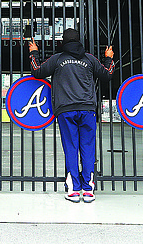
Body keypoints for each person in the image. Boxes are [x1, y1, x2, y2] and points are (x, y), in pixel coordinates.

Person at [29, 28, 115, 203]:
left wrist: (34, 53)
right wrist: (109, 58)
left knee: (71, 148)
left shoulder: (57, 59)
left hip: (66, 109)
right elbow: (107, 74)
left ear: (63, 41)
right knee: (88, 148)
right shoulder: (89, 59)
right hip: (88, 109)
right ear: (79, 41)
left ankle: (74, 190)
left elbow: (37, 71)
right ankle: (88, 190)